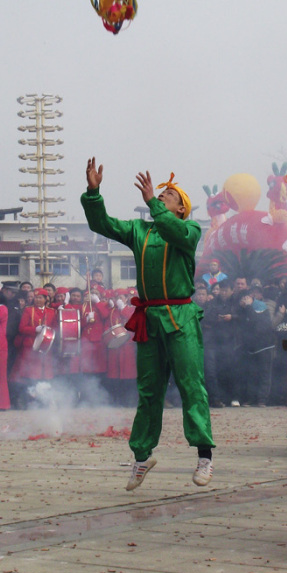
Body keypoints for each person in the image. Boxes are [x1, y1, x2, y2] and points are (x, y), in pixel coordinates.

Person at [82, 158, 215, 490]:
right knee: (148, 391)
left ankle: (204, 456)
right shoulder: (140, 230)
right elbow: (103, 224)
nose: (163, 195)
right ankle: (141, 457)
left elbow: (172, 228)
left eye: (170, 195)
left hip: (181, 316)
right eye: (162, 194)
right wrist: (93, 193)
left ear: (181, 207)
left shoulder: (190, 229)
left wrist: (153, 204)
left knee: (190, 385)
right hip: (150, 319)